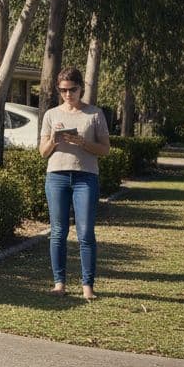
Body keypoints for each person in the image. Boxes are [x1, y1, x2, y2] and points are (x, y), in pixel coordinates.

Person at [39, 67, 110, 299]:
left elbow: (105, 149)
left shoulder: (94, 114)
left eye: (72, 89)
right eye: (62, 90)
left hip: (85, 177)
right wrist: (53, 141)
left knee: (86, 232)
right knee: (58, 231)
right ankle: (59, 283)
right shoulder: (51, 115)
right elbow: (42, 152)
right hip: (57, 176)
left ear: (81, 88)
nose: (68, 94)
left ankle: (87, 285)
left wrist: (82, 142)